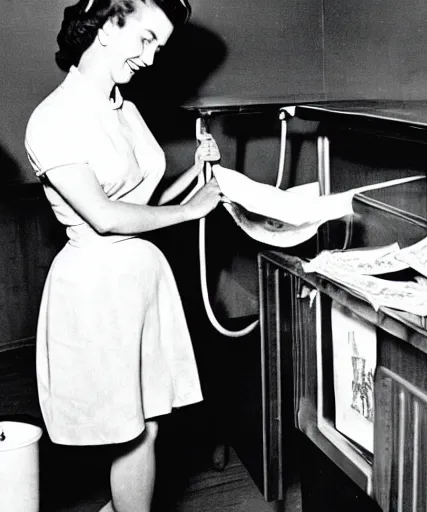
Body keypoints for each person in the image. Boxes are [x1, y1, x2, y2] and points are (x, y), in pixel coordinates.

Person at [24, 0, 222, 510]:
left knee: (148, 428)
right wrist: (191, 212)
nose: (151, 58)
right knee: (130, 434)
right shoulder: (52, 118)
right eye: (146, 38)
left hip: (140, 280)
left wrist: (197, 180)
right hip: (96, 288)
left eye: (160, 46)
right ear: (109, 25)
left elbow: (142, 203)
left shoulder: (125, 110)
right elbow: (105, 216)